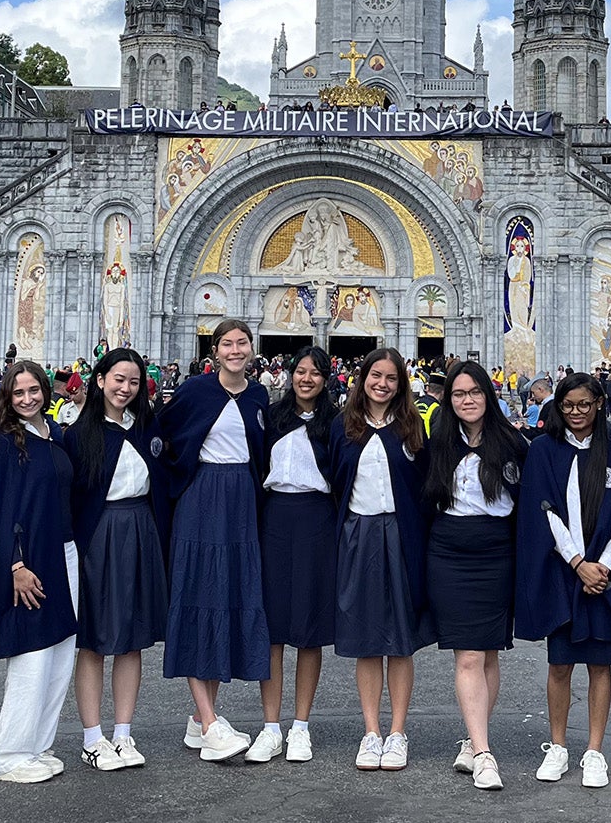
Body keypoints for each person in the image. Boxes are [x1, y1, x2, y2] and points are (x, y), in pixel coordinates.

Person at [516, 370, 611, 789]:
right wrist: (577, 562)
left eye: (585, 405)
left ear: (599, 405)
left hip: (603, 574)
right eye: (568, 406)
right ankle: (557, 746)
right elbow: (544, 511)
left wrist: (601, 567)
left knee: (600, 664)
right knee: (560, 663)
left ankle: (594, 750)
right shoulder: (544, 450)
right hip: (563, 570)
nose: (576, 413)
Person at [160, 318, 272, 762]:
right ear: (214, 350)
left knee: (225, 595)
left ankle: (198, 720)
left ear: (252, 348)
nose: (235, 350)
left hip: (242, 497)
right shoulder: (194, 391)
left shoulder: (260, 394)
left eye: (242, 343)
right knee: (198, 595)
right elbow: (163, 434)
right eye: (227, 343)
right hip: (202, 497)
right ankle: (210, 722)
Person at [0, 359, 79, 783]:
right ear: (8, 399)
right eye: (18, 393)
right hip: (30, 558)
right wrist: (15, 564)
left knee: (60, 652)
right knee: (33, 654)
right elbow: (1, 509)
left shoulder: (53, 435)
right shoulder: (5, 443)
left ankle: (38, 744)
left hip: (64, 550)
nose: (28, 398)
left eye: (34, 390)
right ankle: (9, 754)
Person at [422, 359, 524, 792]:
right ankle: (484, 753)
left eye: (475, 392)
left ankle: (472, 737)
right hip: (449, 551)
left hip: (496, 551)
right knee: (467, 655)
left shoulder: (515, 445)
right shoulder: (437, 444)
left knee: (488, 652)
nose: (467, 400)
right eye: (459, 394)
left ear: (489, 395)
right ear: (449, 399)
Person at [330, 348, 433, 772]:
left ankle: (397, 732)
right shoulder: (343, 427)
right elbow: (334, 481)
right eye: (376, 375)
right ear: (363, 377)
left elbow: (425, 487)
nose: (383, 384)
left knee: (401, 639)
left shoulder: (412, 428)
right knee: (367, 639)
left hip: (401, 534)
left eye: (392, 378)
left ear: (401, 384)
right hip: (358, 534)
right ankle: (371, 731)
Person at [70, 348, 169, 771]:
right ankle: (93, 737)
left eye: (133, 382)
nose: (125, 389)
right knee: (93, 640)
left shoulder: (147, 429)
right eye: (118, 380)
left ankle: (123, 734)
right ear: (99, 380)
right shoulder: (78, 435)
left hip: (140, 530)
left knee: (131, 640)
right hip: (98, 536)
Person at [257, 346, 340, 765]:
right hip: (276, 517)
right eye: (300, 371)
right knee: (272, 626)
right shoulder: (271, 417)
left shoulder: (337, 423)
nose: (306, 379)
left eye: (315, 373)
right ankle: (270, 726)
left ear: (327, 379)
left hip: (316, 519)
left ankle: (301, 726)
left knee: (308, 626)